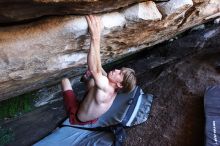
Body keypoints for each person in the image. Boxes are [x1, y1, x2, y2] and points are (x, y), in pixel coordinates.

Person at [61, 15, 136, 125]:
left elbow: (94, 68)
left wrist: (95, 35)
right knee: (93, 80)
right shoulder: (113, 88)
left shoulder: (105, 86)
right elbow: (98, 68)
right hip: (90, 113)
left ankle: (82, 83)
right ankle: (86, 79)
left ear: (119, 84)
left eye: (120, 73)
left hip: (77, 115)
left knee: (65, 81)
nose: (115, 69)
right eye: (119, 70)